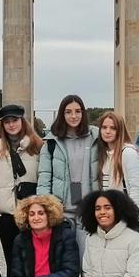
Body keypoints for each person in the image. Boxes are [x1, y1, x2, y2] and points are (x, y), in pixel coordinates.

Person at [37, 94, 98, 249]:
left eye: (77, 111)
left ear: (83, 113)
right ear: (62, 114)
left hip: (88, 210)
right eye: (68, 112)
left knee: (87, 258)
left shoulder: (95, 139)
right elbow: (44, 179)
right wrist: (48, 207)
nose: (73, 116)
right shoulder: (51, 143)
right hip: (62, 212)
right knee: (64, 259)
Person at [0, 104, 44, 265]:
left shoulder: (37, 147)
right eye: (7, 122)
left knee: (32, 260)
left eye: (15, 120)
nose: (11, 125)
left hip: (30, 211)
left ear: (22, 121)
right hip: (5, 213)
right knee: (11, 260)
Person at [91, 111, 139, 214]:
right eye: (104, 127)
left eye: (113, 128)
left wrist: (132, 218)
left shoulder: (128, 153)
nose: (107, 131)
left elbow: (137, 190)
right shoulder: (103, 154)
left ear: (120, 130)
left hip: (126, 216)